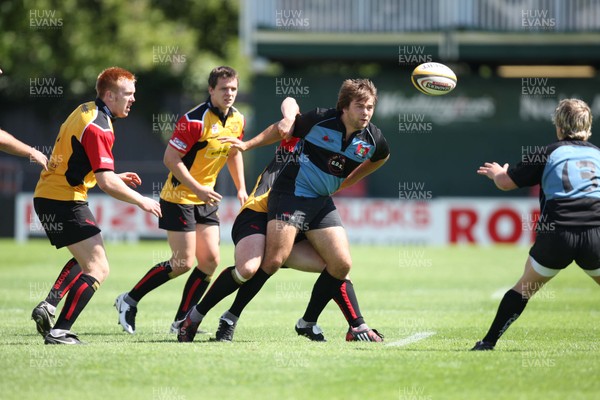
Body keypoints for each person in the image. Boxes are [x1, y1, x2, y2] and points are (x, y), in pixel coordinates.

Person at [182, 79, 390, 342]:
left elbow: (381, 156)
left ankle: (311, 322)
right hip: (286, 196)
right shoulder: (317, 123)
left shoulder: (373, 138)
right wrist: (249, 144)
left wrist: (350, 179)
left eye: (370, 107)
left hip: (320, 202)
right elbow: (284, 124)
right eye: (360, 107)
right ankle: (210, 316)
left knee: (340, 264)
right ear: (344, 108)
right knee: (267, 262)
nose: (366, 113)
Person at [31, 67, 162, 345]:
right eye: (128, 94)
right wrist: (142, 201)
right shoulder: (99, 125)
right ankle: (59, 331)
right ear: (110, 95)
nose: (133, 99)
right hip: (64, 199)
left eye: (134, 94)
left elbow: (81, 161)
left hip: (52, 194)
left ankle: (49, 305)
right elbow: (105, 184)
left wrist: (114, 175)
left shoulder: (86, 110)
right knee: (98, 268)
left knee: (86, 257)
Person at [114, 66, 247, 334]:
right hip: (178, 198)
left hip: (206, 198)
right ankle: (128, 300)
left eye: (233, 88)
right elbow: (170, 159)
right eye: (224, 89)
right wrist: (197, 188)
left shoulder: (237, 119)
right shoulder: (194, 120)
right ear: (211, 90)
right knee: (182, 263)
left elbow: (234, 152)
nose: (229, 93)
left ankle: (181, 322)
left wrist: (241, 188)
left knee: (209, 261)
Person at [472, 98, 599, 351]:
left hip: (558, 235)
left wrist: (498, 172)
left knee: (523, 289)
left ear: (559, 127)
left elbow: (507, 183)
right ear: (589, 127)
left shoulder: (549, 152)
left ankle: (488, 342)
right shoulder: (597, 154)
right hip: (596, 234)